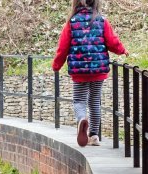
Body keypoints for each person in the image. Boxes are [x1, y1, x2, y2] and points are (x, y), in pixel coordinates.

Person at [52, 0, 128, 147]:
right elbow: (112, 41)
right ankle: (94, 135)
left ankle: (82, 119)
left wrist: (56, 65)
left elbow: (62, 47)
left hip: (79, 72)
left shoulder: (72, 22)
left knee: (79, 100)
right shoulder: (101, 20)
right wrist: (122, 50)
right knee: (94, 102)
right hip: (98, 69)